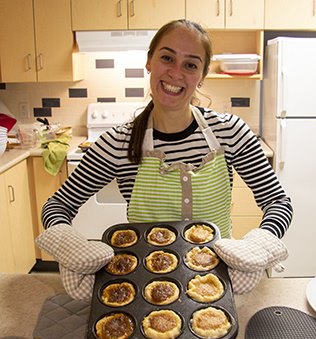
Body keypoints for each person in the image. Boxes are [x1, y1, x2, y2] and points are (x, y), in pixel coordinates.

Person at [36, 19, 293, 302]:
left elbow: (278, 202)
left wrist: (258, 245)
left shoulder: (230, 132)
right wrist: (70, 245)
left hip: (216, 283)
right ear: (149, 62)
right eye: (167, 58)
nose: (175, 73)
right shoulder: (118, 144)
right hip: (144, 289)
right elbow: (57, 206)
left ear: (202, 75)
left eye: (191, 64)